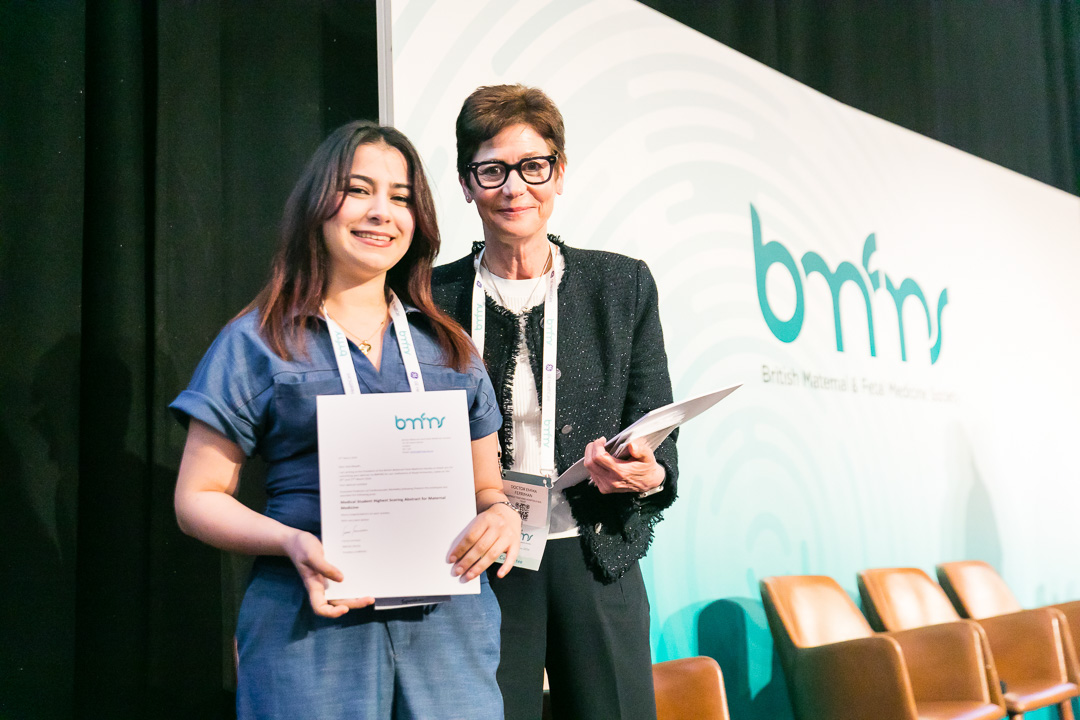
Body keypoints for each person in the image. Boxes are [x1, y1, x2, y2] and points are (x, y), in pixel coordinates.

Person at [169, 120, 521, 720]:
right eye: (358, 190)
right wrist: (290, 541)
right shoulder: (259, 341)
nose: (381, 211)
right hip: (309, 620)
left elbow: (488, 487)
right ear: (317, 206)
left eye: (401, 197)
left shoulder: (449, 346)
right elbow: (197, 498)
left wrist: (502, 515)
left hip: (448, 629)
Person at [432, 84, 678, 720]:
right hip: (480, 555)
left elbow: (659, 428)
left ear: (559, 173)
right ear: (466, 184)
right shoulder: (430, 298)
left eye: (533, 166)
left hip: (594, 549)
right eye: (492, 170)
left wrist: (648, 474)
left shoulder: (620, 284)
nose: (515, 187)